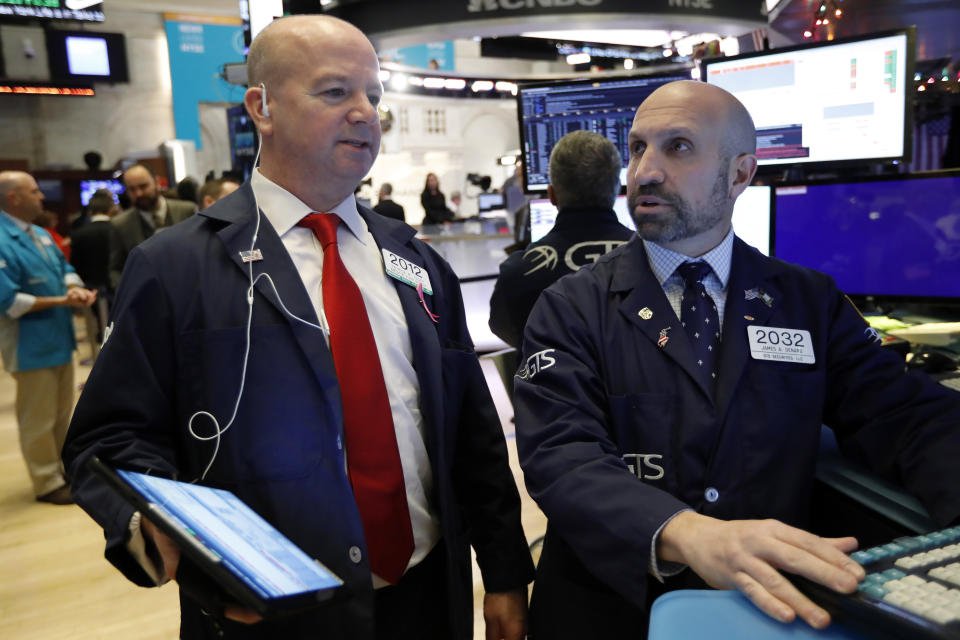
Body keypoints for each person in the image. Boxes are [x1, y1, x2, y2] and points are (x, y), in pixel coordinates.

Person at [62, 15, 533, 640]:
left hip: (426, 597)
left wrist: (503, 572)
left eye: (374, 94)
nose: (366, 113)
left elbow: (470, 431)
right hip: (271, 617)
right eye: (336, 92)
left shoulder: (415, 261)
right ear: (263, 107)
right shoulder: (176, 267)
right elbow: (111, 435)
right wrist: (158, 529)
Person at [513, 80, 960, 638]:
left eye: (678, 147)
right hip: (611, 606)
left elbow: (904, 415)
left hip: (763, 612)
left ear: (741, 174)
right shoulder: (572, 306)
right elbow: (562, 455)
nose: (645, 171)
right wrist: (688, 532)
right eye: (637, 148)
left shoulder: (808, 301)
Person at [0, 171, 97, 504]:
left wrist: (75, 289)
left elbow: (64, 268)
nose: (41, 197)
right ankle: (46, 482)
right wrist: (63, 300)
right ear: (14, 198)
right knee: (37, 419)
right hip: (29, 344)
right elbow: (8, 302)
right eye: (34, 191)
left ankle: (64, 470)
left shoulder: (40, 234)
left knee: (60, 413)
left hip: (59, 337)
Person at [488, 130, 634, 349]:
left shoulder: (518, 273)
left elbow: (507, 330)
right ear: (616, 190)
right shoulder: (654, 261)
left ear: (551, 194)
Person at [110, 164, 197, 281]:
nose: (138, 194)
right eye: (132, 189)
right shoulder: (120, 224)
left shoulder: (187, 211)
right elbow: (115, 269)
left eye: (143, 186)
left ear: (156, 182)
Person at [70, 189, 120, 357]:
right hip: (118, 286)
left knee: (100, 323)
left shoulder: (79, 234)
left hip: (91, 285)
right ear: (110, 209)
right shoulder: (119, 228)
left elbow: (76, 264)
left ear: (90, 211)